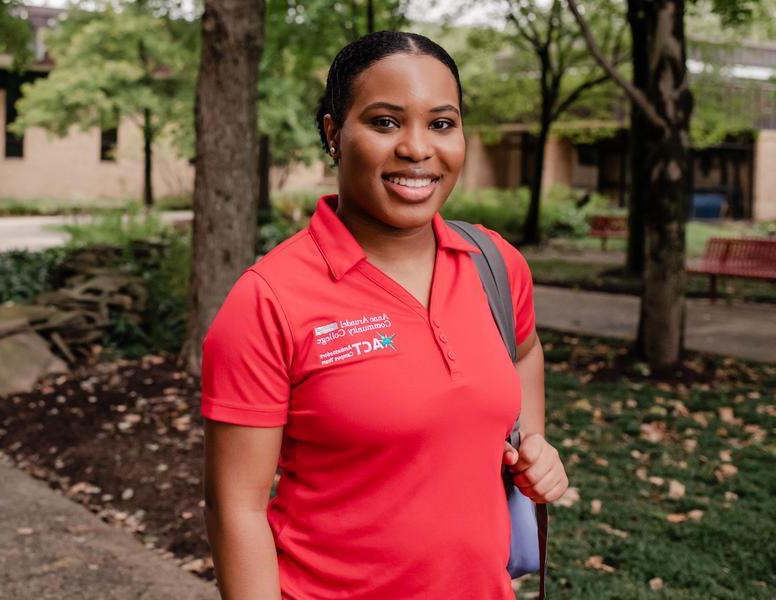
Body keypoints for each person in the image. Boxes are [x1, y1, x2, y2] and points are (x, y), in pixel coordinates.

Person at [200, 31, 569, 599]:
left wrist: (534, 444)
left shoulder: (496, 265)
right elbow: (236, 508)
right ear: (333, 134)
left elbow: (524, 351)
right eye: (385, 122)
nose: (418, 149)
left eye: (441, 124)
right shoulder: (269, 300)